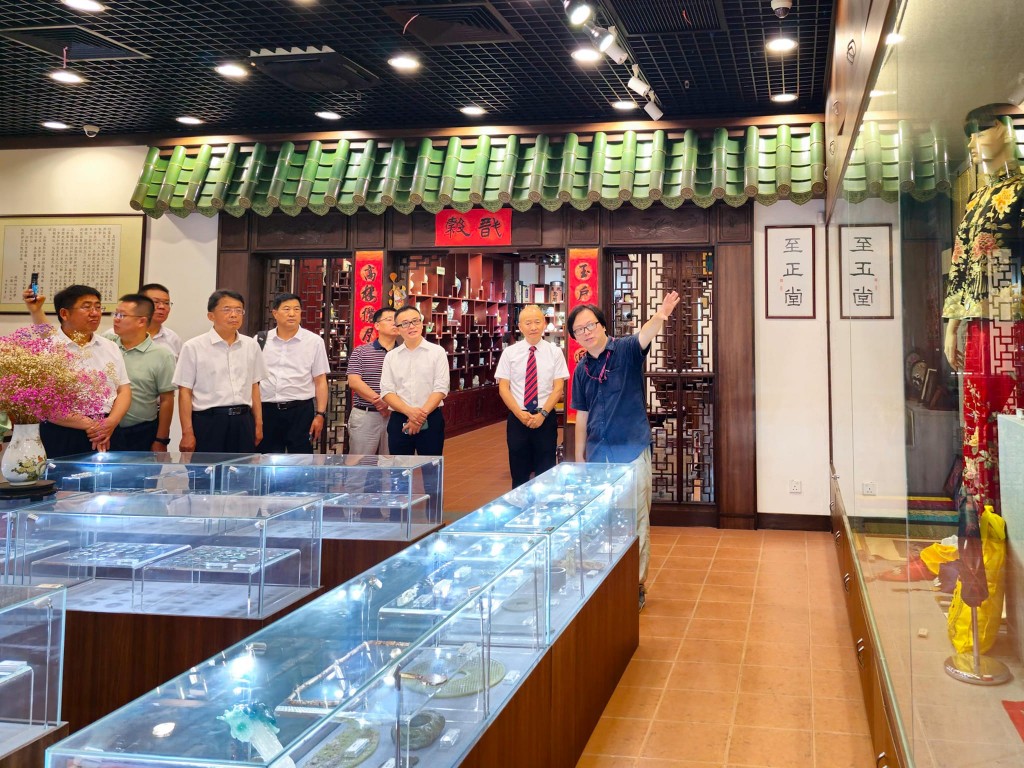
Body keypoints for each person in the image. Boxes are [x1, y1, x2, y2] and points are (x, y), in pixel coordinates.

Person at [568, 291, 681, 611]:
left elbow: (645, 335)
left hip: (631, 450)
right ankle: (606, 581)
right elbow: (582, 416)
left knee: (635, 520)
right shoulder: (581, 370)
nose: (587, 332)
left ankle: (636, 584)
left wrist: (660, 315)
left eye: (591, 325)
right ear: (575, 336)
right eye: (579, 329)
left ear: (603, 325)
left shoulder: (626, 351)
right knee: (603, 522)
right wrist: (579, 458)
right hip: (598, 455)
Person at [942, 103, 1024, 516]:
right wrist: (952, 325)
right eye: (969, 136)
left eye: (980, 132)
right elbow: (960, 267)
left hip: (1013, 321)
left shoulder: (1022, 191)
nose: (973, 143)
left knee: (1012, 412)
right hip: (980, 326)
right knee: (978, 418)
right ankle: (985, 516)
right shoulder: (975, 200)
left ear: (1006, 131)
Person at [22, 285, 132, 456]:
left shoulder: (110, 346)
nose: (95, 313)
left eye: (98, 307)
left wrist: (110, 422)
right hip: (64, 433)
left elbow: (124, 390)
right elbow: (42, 403)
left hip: (109, 431)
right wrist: (90, 425)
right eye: (87, 307)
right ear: (64, 314)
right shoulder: (46, 349)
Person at [173, 290, 267, 453]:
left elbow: (254, 386)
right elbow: (185, 392)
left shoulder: (251, 345)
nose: (234, 315)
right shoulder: (193, 347)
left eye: (239, 310)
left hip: (243, 420)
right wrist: (187, 432)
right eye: (227, 309)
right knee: (206, 468)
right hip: (208, 422)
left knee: (242, 468)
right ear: (211, 316)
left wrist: (258, 424)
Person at [495, 304, 569, 487]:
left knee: (546, 470)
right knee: (519, 472)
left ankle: (544, 504)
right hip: (518, 418)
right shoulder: (510, 353)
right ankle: (519, 503)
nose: (533, 327)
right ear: (520, 327)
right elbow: (503, 388)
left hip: (545, 417)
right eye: (528, 323)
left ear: (544, 323)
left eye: (537, 322)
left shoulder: (555, 352)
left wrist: (542, 415)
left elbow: (558, 387)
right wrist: (519, 414)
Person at [259, 293, 330, 453]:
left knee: (301, 458)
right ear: (275, 313)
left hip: (300, 411)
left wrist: (320, 414)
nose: (292, 313)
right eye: (286, 309)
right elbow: (253, 380)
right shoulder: (261, 340)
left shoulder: (314, 342)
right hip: (267, 410)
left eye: (296, 309)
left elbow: (320, 380)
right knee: (266, 458)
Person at [104, 294, 176, 451]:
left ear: (141, 321)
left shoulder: (162, 355)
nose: (116, 319)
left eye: (122, 315)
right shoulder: (106, 343)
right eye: (115, 314)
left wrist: (161, 439)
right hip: (104, 429)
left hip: (141, 431)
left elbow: (166, 399)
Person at [379, 306, 449, 456]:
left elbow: (441, 388)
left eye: (415, 321)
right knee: (400, 467)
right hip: (399, 418)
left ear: (422, 323)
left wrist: (418, 418)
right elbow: (387, 392)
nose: (411, 326)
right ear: (398, 329)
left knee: (431, 466)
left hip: (431, 417)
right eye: (405, 323)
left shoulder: (437, 352)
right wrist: (410, 412)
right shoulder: (391, 357)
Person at [346, 307, 401, 455]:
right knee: (360, 462)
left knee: (391, 462)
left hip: (395, 415)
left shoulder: (404, 353)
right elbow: (354, 382)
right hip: (366, 415)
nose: (394, 323)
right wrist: (380, 401)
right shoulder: (361, 351)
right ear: (377, 325)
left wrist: (390, 404)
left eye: (397, 320)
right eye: (389, 319)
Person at [140, 283, 182, 359]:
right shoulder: (122, 334)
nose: (162, 306)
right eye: (156, 302)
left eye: (166, 303)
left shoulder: (173, 338)